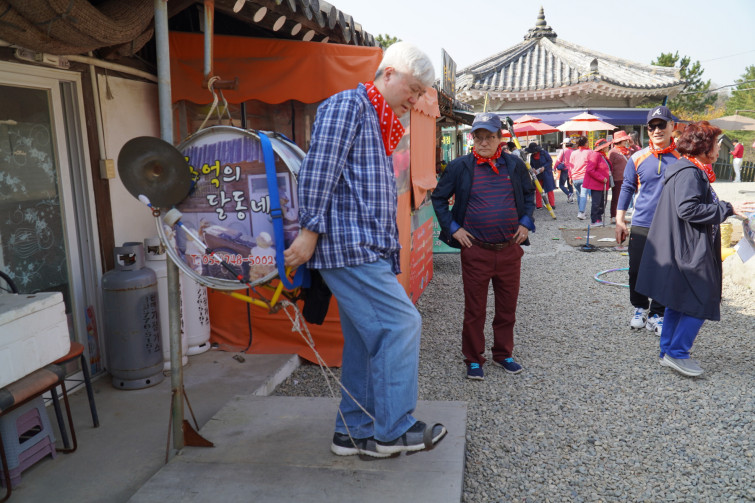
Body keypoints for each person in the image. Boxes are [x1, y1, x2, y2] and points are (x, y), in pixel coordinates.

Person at [284, 42, 446, 458]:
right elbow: (318, 169)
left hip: (364, 246)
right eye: (413, 89)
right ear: (388, 73)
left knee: (363, 341)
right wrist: (309, 230)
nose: (415, 100)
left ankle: (352, 432)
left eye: (420, 94)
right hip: (348, 244)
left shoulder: (376, 116)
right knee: (401, 324)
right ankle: (393, 430)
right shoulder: (349, 105)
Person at [636, 121, 755, 377]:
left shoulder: (687, 168)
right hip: (688, 248)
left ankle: (668, 351)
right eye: (716, 143)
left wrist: (726, 207)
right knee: (701, 298)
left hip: (682, 244)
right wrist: (728, 208)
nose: (719, 148)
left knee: (678, 299)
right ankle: (677, 352)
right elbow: (688, 209)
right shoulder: (689, 172)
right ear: (703, 146)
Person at [432, 112, 535, 380]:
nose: (484, 142)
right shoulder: (460, 167)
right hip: (475, 250)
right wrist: (454, 228)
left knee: (507, 307)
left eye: (489, 136)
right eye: (478, 137)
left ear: (500, 138)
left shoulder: (514, 166)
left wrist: (525, 222)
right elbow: (439, 198)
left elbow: (528, 195)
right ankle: (473, 358)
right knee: (474, 309)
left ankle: (503, 354)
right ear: (472, 139)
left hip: (509, 248)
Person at [615, 105, 681, 336]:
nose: (656, 130)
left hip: (671, 224)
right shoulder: (637, 157)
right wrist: (620, 220)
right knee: (636, 269)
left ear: (672, 126)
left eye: (661, 125)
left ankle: (657, 314)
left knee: (665, 270)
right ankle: (640, 307)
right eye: (651, 127)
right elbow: (627, 187)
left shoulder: (683, 158)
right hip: (642, 221)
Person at [583, 138, 611, 225]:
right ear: (603, 147)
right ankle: (594, 220)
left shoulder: (602, 156)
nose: (608, 148)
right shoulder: (595, 155)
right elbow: (590, 170)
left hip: (602, 184)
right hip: (597, 184)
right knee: (596, 203)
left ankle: (599, 218)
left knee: (601, 203)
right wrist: (601, 178)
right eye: (607, 146)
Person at [608, 131, 632, 224]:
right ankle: (613, 216)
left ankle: (621, 217)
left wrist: (632, 145)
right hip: (617, 178)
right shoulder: (613, 152)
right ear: (620, 141)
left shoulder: (627, 151)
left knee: (624, 198)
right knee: (616, 198)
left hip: (626, 178)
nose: (626, 141)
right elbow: (609, 166)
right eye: (624, 140)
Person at [526, 142, 556, 210]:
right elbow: (531, 164)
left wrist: (544, 167)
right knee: (538, 189)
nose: (533, 152)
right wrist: (533, 168)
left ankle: (552, 204)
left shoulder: (544, 153)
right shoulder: (532, 156)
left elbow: (550, 161)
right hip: (538, 174)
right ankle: (539, 205)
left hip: (546, 173)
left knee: (549, 189)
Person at [569, 136, 591, 219]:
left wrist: (570, 177)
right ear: (585, 143)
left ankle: (581, 211)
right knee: (583, 194)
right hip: (585, 176)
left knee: (579, 194)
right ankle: (581, 212)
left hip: (575, 177)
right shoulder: (589, 152)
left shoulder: (573, 153)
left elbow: (570, 166)